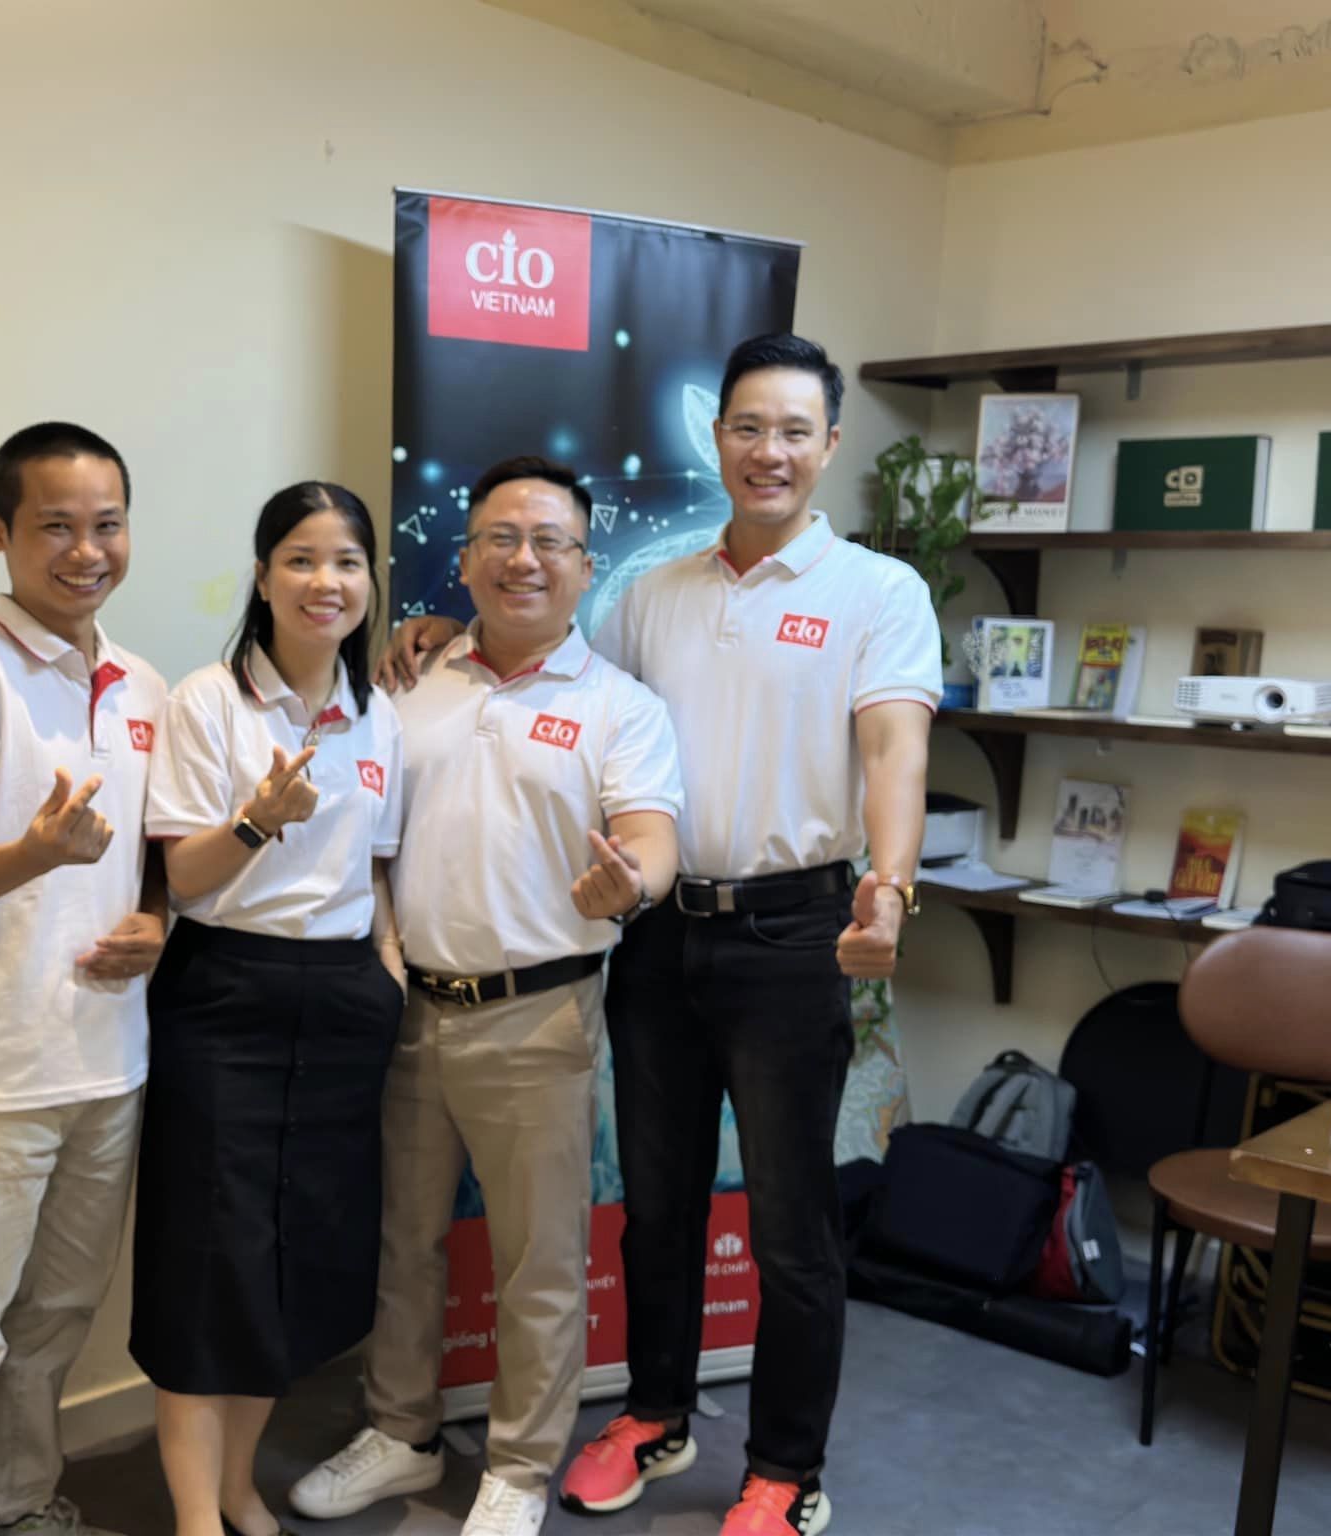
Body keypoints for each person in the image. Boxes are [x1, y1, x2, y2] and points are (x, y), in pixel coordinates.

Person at [382, 337, 939, 1535]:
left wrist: (889, 887)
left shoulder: (877, 592)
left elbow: (894, 746)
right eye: (747, 427)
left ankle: (784, 1470)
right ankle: (653, 1414)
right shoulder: (651, 591)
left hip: (794, 928)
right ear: (716, 437)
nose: (767, 451)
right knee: (656, 1206)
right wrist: (441, 629)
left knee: (788, 1228)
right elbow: (570, 678)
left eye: (793, 431)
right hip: (654, 938)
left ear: (828, 446)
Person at [293, 456, 682, 1536]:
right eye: (500, 539)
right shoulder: (405, 682)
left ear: (583, 566)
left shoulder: (621, 707)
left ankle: (517, 1467)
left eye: (549, 541)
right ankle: (401, 1434)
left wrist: (633, 883)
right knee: (402, 1241)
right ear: (462, 560)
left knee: (536, 1264)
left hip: (539, 1015)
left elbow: (650, 835)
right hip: (407, 1006)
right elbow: (363, 831)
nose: (524, 560)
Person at [0, 423, 168, 1536]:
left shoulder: (144, 684)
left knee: (55, 1318)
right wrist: (36, 856)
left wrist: (156, 920)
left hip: (111, 1063)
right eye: (55, 526)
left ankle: (19, 1503)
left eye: (106, 525)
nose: (85, 551)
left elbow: (154, 863)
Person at [131, 481, 407, 1536]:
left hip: (339, 1002)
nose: (323, 581)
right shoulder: (207, 702)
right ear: (261, 576)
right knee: (210, 1259)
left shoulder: (380, 714)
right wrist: (256, 821)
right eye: (299, 558)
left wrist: (384, 968)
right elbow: (184, 877)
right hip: (225, 996)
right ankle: (195, 1516)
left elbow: (376, 868)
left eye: (346, 561)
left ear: (369, 580)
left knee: (291, 1260)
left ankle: (238, 1483)